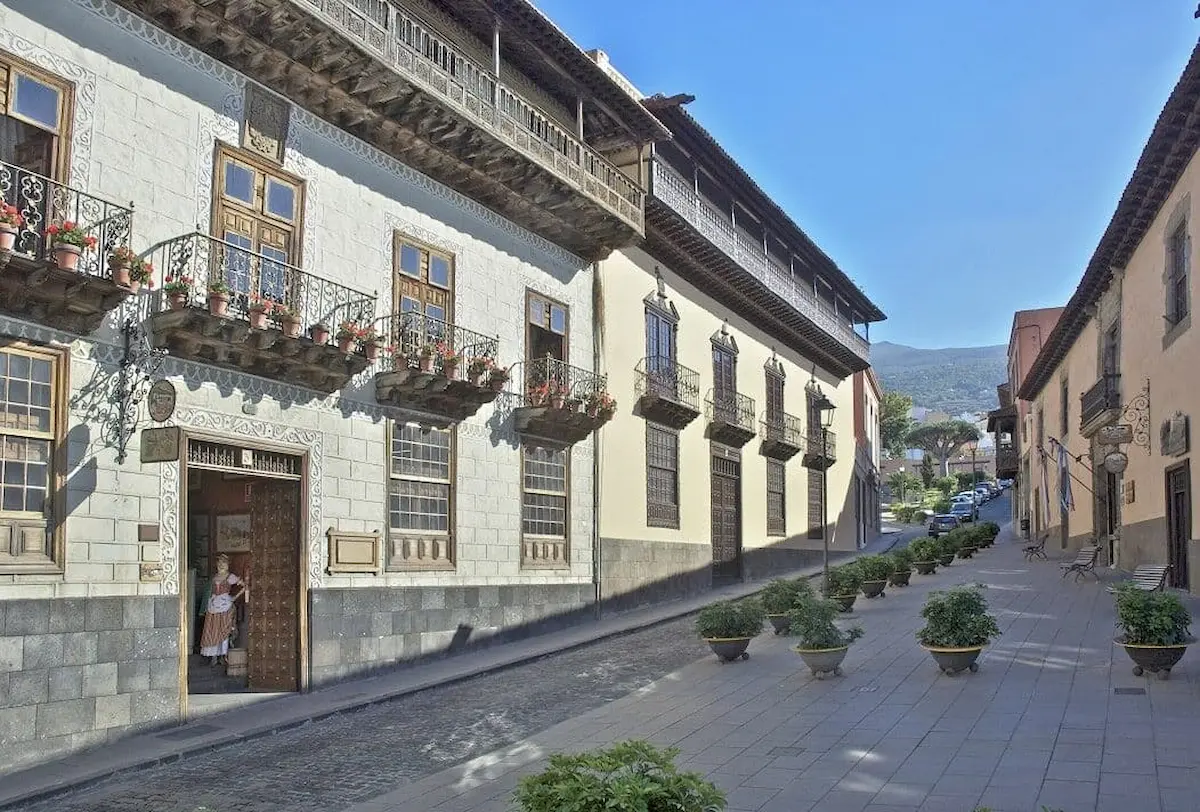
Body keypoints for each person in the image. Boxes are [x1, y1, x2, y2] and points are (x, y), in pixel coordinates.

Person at [198, 554, 248, 665]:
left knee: (224, 629)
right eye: (219, 563)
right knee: (213, 629)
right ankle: (213, 655)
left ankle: (223, 654)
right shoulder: (214, 577)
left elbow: (245, 586)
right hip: (213, 605)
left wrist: (234, 597)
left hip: (225, 604)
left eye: (223, 563)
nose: (221, 565)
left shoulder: (230, 577)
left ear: (227, 565)